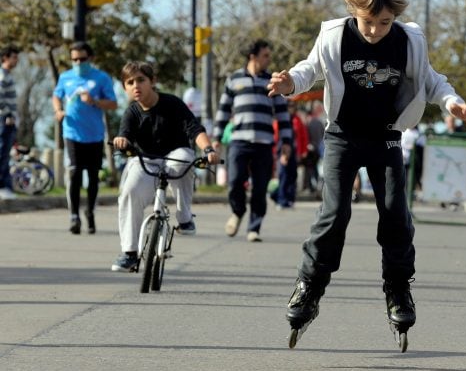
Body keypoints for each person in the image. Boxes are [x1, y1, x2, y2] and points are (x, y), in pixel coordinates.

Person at [267, 0, 466, 339]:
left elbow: (431, 80)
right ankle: (310, 285)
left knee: (396, 211)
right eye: (368, 22)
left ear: (394, 17)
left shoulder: (409, 40)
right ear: (354, 11)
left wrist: (452, 102)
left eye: (384, 22)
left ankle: (397, 288)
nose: (375, 31)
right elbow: (309, 68)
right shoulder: (334, 35)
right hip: (343, 135)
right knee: (334, 213)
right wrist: (289, 84)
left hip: (386, 137)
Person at [110, 61, 219, 272]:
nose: (136, 86)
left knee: (185, 162)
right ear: (125, 87)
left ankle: (185, 217)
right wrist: (121, 140)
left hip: (175, 155)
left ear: (153, 81)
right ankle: (130, 253)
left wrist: (208, 151)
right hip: (146, 158)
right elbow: (124, 134)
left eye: (141, 80)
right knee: (129, 193)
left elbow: (194, 129)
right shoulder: (131, 112)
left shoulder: (173, 103)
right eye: (130, 82)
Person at [212, 39, 293, 242]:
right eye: (265, 55)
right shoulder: (234, 79)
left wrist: (286, 141)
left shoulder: (271, 81)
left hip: (264, 142)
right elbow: (223, 111)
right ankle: (237, 212)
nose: (269, 59)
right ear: (253, 56)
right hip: (239, 140)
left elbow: (282, 114)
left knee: (260, 186)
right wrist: (217, 138)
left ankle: (254, 227)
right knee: (235, 180)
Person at [52, 42, 117, 234]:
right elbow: (56, 95)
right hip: (71, 133)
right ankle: (74, 215)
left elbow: (113, 103)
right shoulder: (66, 77)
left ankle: (90, 212)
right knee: (74, 173)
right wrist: (58, 110)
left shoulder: (101, 78)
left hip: (95, 135)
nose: (78, 63)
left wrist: (95, 101)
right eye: (75, 59)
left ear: (90, 59)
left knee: (93, 177)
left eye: (82, 59)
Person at [0, 46, 19, 201]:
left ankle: (6, 186)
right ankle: (3, 186)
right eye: (14, 57)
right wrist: (8, 114)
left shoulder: (8, 75)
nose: (16, 60)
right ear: (5, 58)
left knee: (5, 154)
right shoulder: (2, 75)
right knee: (2, 153)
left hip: (8, 119)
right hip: (5, 119)